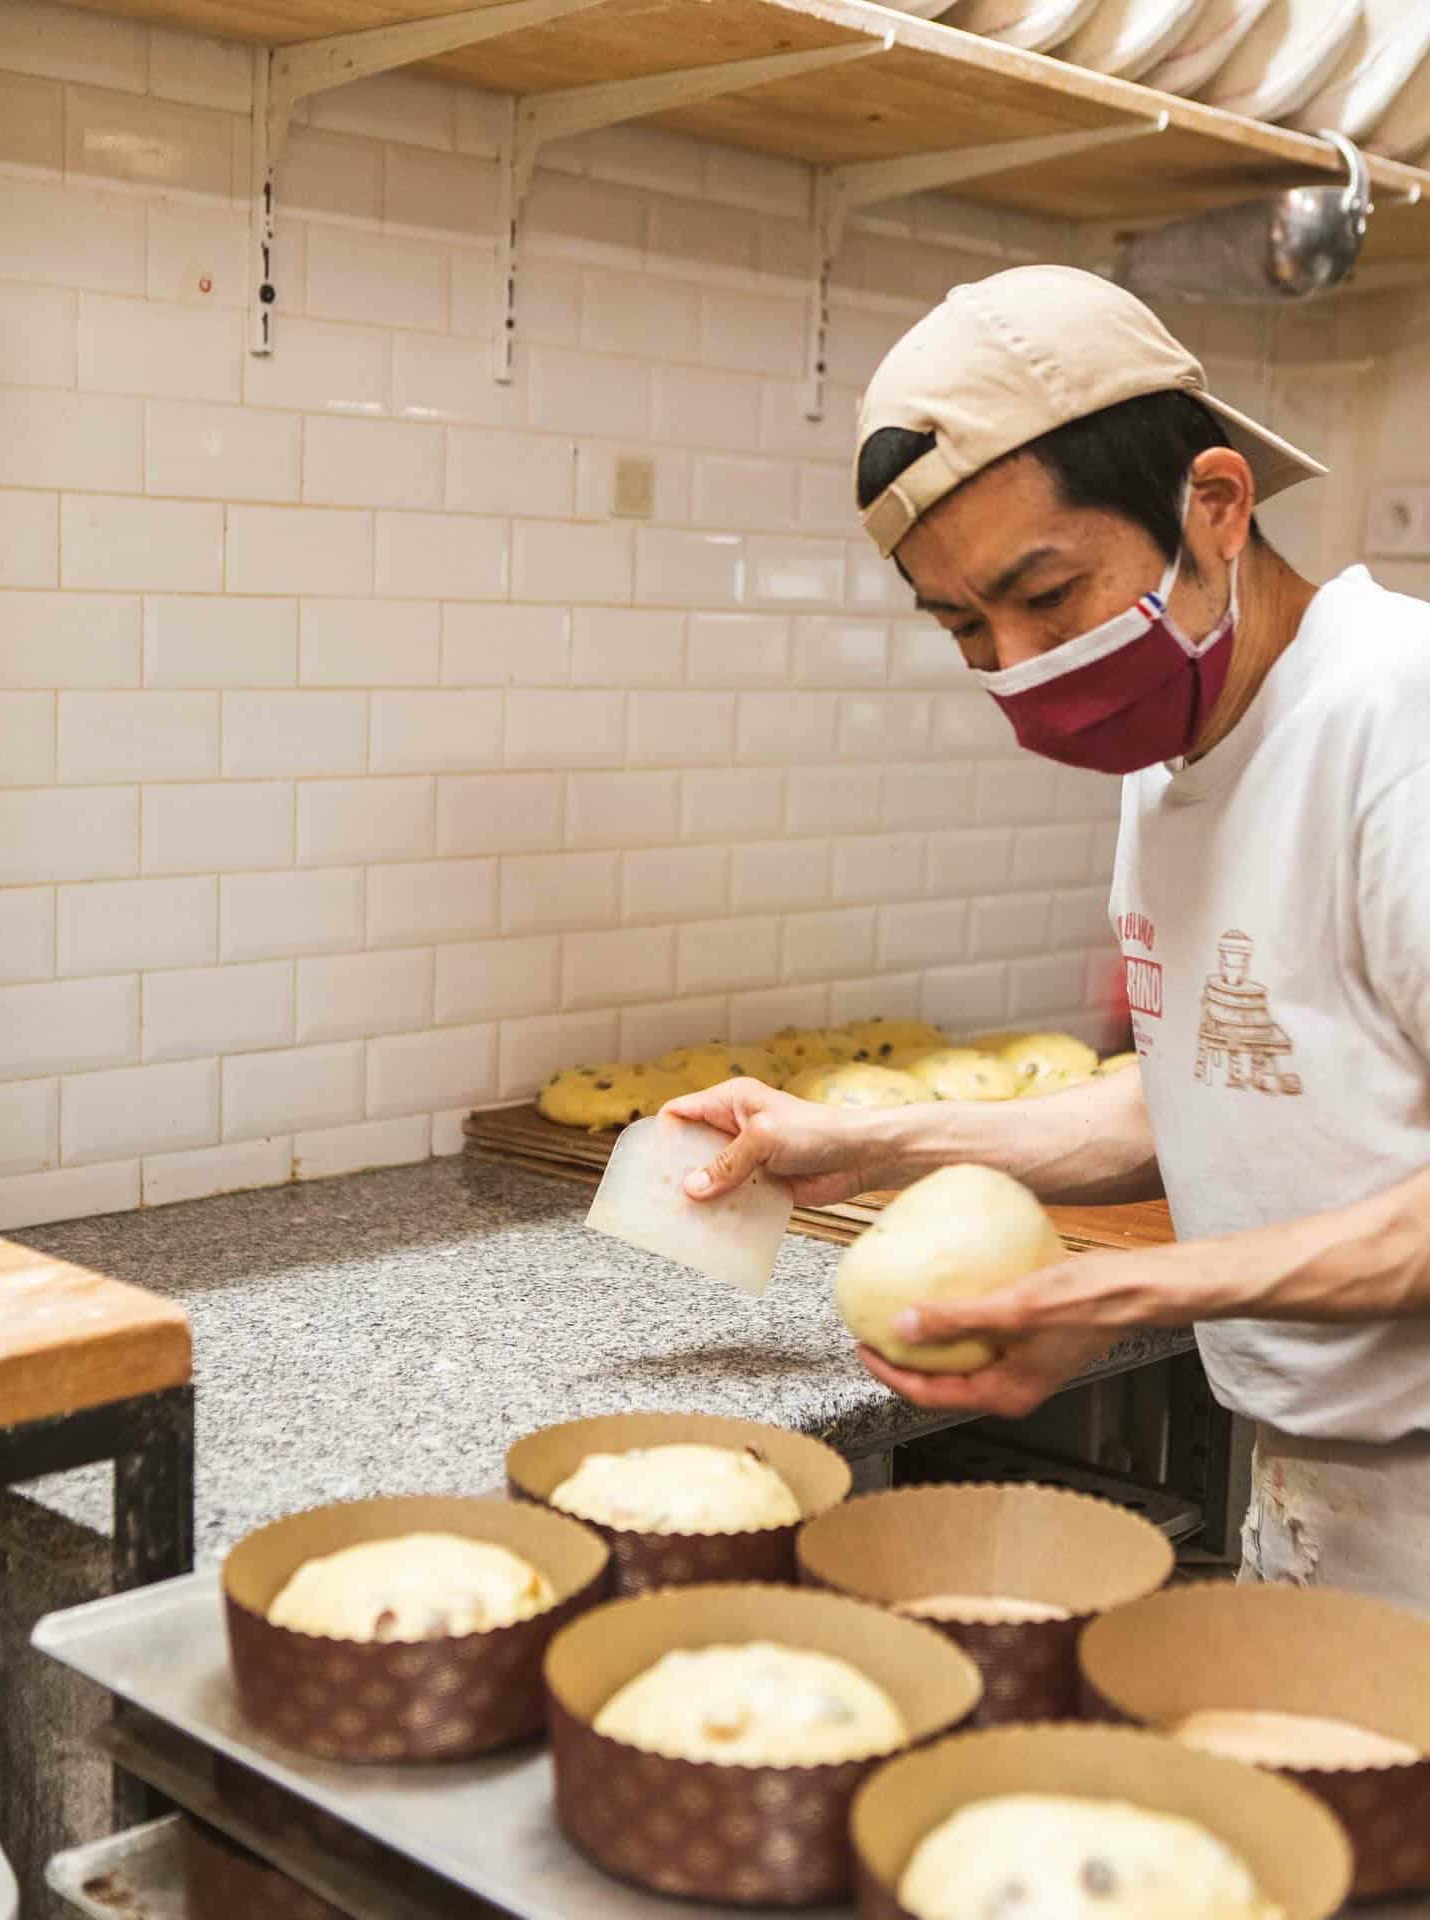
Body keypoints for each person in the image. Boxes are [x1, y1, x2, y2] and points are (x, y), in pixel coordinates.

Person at [664, 265, 1430, 1611]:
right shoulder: (1180, 745)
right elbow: (1207, 1082)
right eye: (964, 624)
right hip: (1321, 1482)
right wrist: (862, 1147)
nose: (1014, 661)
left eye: (1046, 594)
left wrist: (1126, 1297)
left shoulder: (1396, 725)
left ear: (1215, 506)